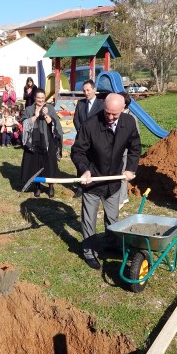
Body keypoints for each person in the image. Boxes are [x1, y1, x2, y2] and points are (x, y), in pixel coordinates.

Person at [71, 93, 141, 270]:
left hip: (114, 180)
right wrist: (84, 170)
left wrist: (130, 168)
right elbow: (78, 151)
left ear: (123, 109)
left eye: (114, 114)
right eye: (107, 113)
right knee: (89, 220)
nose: (110, 117)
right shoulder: (90, 124)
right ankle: (89, 252)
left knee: (113, 217)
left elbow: (135, 147)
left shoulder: (129, 123)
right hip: (93, 180)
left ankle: (112, 244)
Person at [20, 88, 63, 198]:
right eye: (38, 98)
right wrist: (35, 115)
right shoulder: (29, 109)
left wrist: (47, 116)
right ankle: (37, 186)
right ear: (35, 98)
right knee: (36, 164)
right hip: (35, 141)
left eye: (42, 98)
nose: (40, 100)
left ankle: (51, 186)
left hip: (48, 140)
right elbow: (24, 123)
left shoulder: (50, 108)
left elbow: (55, 124)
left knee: (50, 163)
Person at [72, 79, 105, 198]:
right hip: (81, 139)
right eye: (84, 90)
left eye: (88, 90)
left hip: (96, 139)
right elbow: (76, 119)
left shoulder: (102, 104)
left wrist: (91, 134)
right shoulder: (80, 103)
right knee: (81, 161)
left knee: (94, 162)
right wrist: (82, 133)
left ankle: (94, 184)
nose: (86, 93)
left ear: (94, 90)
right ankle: (81, 187)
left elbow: (102, 121)